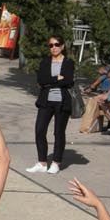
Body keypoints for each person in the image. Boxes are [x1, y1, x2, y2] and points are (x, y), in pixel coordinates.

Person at [31, 34, 78, 173]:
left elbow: (69, 81)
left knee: (58, 132)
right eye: (51, 45)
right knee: (39, 130)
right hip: (46, 101)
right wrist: (57, 78)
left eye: (56, 45)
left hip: (62, 102)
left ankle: (56, 162)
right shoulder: (45, 61)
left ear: (62, 46)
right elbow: (41, 80)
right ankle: (42, 162)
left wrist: (50, 81)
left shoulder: (68, 62)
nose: (54, 48)